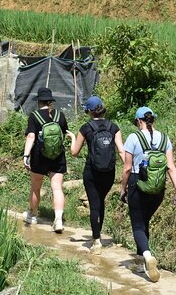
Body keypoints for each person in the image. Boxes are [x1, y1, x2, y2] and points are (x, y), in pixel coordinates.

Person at [120, 106, 176, 282]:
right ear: (152, 119)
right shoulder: (165, 138)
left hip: (137, 184)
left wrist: (122, 188)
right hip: (158, 188)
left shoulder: (134, 137)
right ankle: (140, 264)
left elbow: (126, 168)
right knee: (144, 221)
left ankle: (147, 257)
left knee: (138, 225)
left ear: (139, 121)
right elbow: (170, 167)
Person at [71, 96, 125, 254]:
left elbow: (74, 152)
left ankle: (96, 241)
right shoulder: (113, 127)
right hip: (109, 172)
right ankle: (98, 234)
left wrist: (73, 139)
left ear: (89, 111)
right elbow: (121, 150)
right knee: (101, 201)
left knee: (94, 204)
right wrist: (129, 168)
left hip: (91, 172)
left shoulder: (86, 128)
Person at [22, 87, 76, 233]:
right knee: (57, 188)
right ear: (51, 101)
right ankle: (58, 219)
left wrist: (26, 155)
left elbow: (31, 137)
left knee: (35, 187)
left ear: (39, 101)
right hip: (58, 156)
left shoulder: (34, 116)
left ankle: (32, 215)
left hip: (39, 157)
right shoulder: (60, 116)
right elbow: (63, 135)